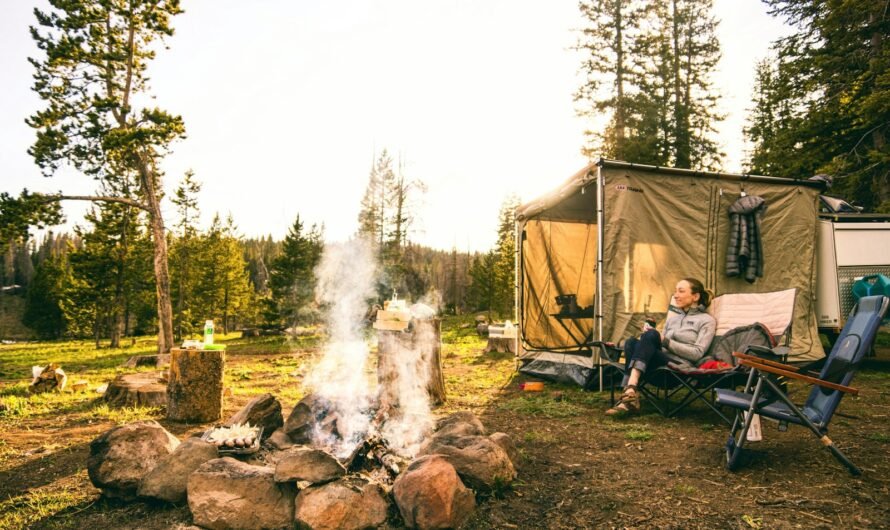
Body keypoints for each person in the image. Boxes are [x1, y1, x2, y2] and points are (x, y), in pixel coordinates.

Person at [606, 278, 716, 416]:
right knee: (631, 342)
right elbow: (658, 345)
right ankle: (630, 392)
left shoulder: (707, 321)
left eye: (681, 291)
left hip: (678, 369)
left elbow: (697, 353)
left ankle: (629, 391)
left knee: (651, 334)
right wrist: (647, 339)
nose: (675, 295)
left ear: (696, 296)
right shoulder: (672, 320)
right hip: (657, 367)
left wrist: (664, 340)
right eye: (675, 291)